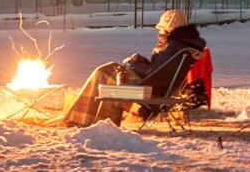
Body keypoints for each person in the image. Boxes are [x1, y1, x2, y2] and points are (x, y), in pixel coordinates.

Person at [62, 9, 207, 127]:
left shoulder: (173, 45)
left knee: (104, 72)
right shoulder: (184, 45)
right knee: (108, 72)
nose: (159, 33)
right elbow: (161, 70)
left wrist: (133, 63)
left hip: (151, 86)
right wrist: (141, 61)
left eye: (161, 29)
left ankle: (82, 118)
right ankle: (96, 120)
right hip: (162, 86)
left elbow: (154, 73)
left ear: (167, 29)